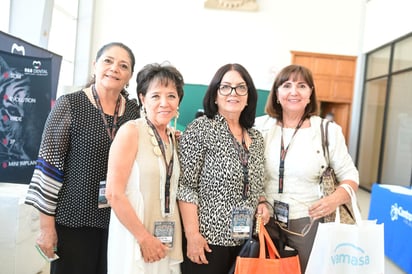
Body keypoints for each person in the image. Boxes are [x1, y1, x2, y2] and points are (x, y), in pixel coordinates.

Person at [24, 42, 140, 274]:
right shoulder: (70, 105)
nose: (114, 68)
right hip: (73, 220)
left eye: (123, 65)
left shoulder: (134, 112)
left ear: (129, 76)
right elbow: (48, 168)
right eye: (108, 61)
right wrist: (46, 227)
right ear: (95, 65)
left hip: (119, 223)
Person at [254, 64, 359, 273]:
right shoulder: (258, 127)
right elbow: (247, 173)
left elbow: (350, 175)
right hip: (265, 219)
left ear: (310, 94)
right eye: (286, 85)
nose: (294, 92)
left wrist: (334, 200)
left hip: (309, 222)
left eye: (302, 86)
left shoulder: (328, 131)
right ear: (276, 93)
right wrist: (260, 200)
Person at [177, 63, 270, 274]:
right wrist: (192, 236)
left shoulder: (256, 137)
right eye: (226, 87)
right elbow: (186, 187)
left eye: (241, 87)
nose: (233, 93)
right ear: (215, 95)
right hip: (208, 241)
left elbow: (256, 183)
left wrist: (262, 202)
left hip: (245, 241)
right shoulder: (200, 129)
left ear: (249, 97)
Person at [105, 62, 184, 274]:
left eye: (171, 96)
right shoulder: (131, 132)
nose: (164, 103)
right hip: (135, 236)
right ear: (142, 98)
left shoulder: (173, 138)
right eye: (156, 96)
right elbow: (113, 193)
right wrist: (144, 238)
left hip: (166, 237)